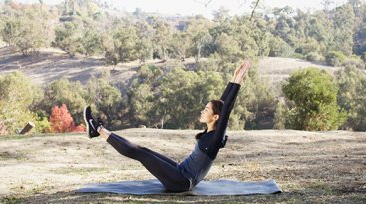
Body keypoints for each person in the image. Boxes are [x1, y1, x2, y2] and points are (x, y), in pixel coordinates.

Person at [84, 59, 251, 192]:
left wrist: (240, 80)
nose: (202, 111)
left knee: (140, 155)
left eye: (206, 109)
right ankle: (96, 130)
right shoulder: (210, 130)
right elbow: (222, 103)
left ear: (215, 117)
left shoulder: (216, 138)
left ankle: (98, 129)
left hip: (182, 181)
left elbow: (226, 109)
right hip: (180, 171)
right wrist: (234, 77)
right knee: (143, 150)